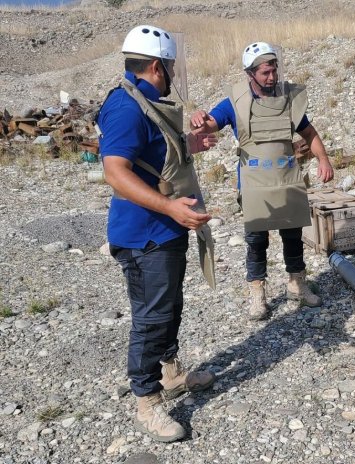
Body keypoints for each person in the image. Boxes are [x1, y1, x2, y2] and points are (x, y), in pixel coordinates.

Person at [98, 24, 218, 443]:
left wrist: (193, 142)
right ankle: (146, 399)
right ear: (154, 66)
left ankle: (171, 374)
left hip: (164, 231)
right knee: (151, 318)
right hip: (144, 235)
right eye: (169, 66)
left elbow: (156, 151)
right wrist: (169, 206)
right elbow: (115, 172)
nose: (172, 73)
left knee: (169, 306)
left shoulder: (145, 102)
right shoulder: (126, 108)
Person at [190, 42, 334, 320]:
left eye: (274, 71)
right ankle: (257, 294)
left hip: (287, 178)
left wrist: (323, 159)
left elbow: (309, 133)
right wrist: (199, 120)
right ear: (251, 74)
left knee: (292, 236)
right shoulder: (236, 101)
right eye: (266, 72)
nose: (272, 77)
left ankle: (297, 284)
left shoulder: (288, 100)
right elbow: (210, 124)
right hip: (254, 182)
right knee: (256, 241)